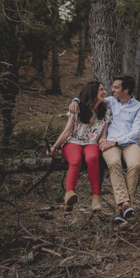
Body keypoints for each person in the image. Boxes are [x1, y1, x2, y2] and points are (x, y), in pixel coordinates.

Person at [70, 74, 140, 224]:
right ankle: (125, 204)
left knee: (135, 165)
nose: (112, 90)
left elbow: (137, 132)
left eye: (116, 88)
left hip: (129, 143)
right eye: (112, 87)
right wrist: (75, 100)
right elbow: (90, 98)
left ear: (126, 90)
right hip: (109, 143)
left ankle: (122, 207)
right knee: (114, 163)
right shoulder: (110, 102)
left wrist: (116, 141)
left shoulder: (139, 108)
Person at [49, 81, 111, 212]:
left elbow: (102, 135)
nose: (105, 92)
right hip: (73, 141)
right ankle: (69, 194)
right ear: (93, 92)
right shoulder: (77, 108)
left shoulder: (105, 111)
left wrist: (103, 143)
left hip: (91, 142)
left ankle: (96, 198)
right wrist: (54, 146)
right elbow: (67, 131)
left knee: (92, 158)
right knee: (76, 160)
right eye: (101, 90)